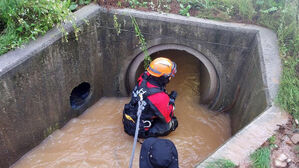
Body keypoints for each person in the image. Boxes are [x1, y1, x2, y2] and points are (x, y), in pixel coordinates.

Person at [123, 57, 178, 138]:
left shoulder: (144, 76)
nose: (170, 78)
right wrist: (172, 100)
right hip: (139, 129)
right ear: (163, 77)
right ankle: (147, 134)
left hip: (130, 117)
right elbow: (167, 117)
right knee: (171, 124)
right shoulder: (159, 98)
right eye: (170, 76)